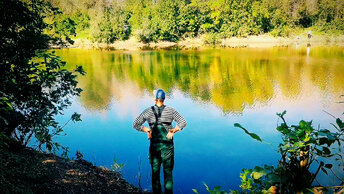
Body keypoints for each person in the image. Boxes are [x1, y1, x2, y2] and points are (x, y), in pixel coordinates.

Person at [133, 89, 187, 194]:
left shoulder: (148, 111)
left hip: (154, 149)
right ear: (164, 99)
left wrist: (147, 130)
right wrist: (173, 131)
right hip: (168, 149)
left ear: (155, 99)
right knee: (168, 175)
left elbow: (135, 124)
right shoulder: (171, 111)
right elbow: (183, 122)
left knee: (155, 174)